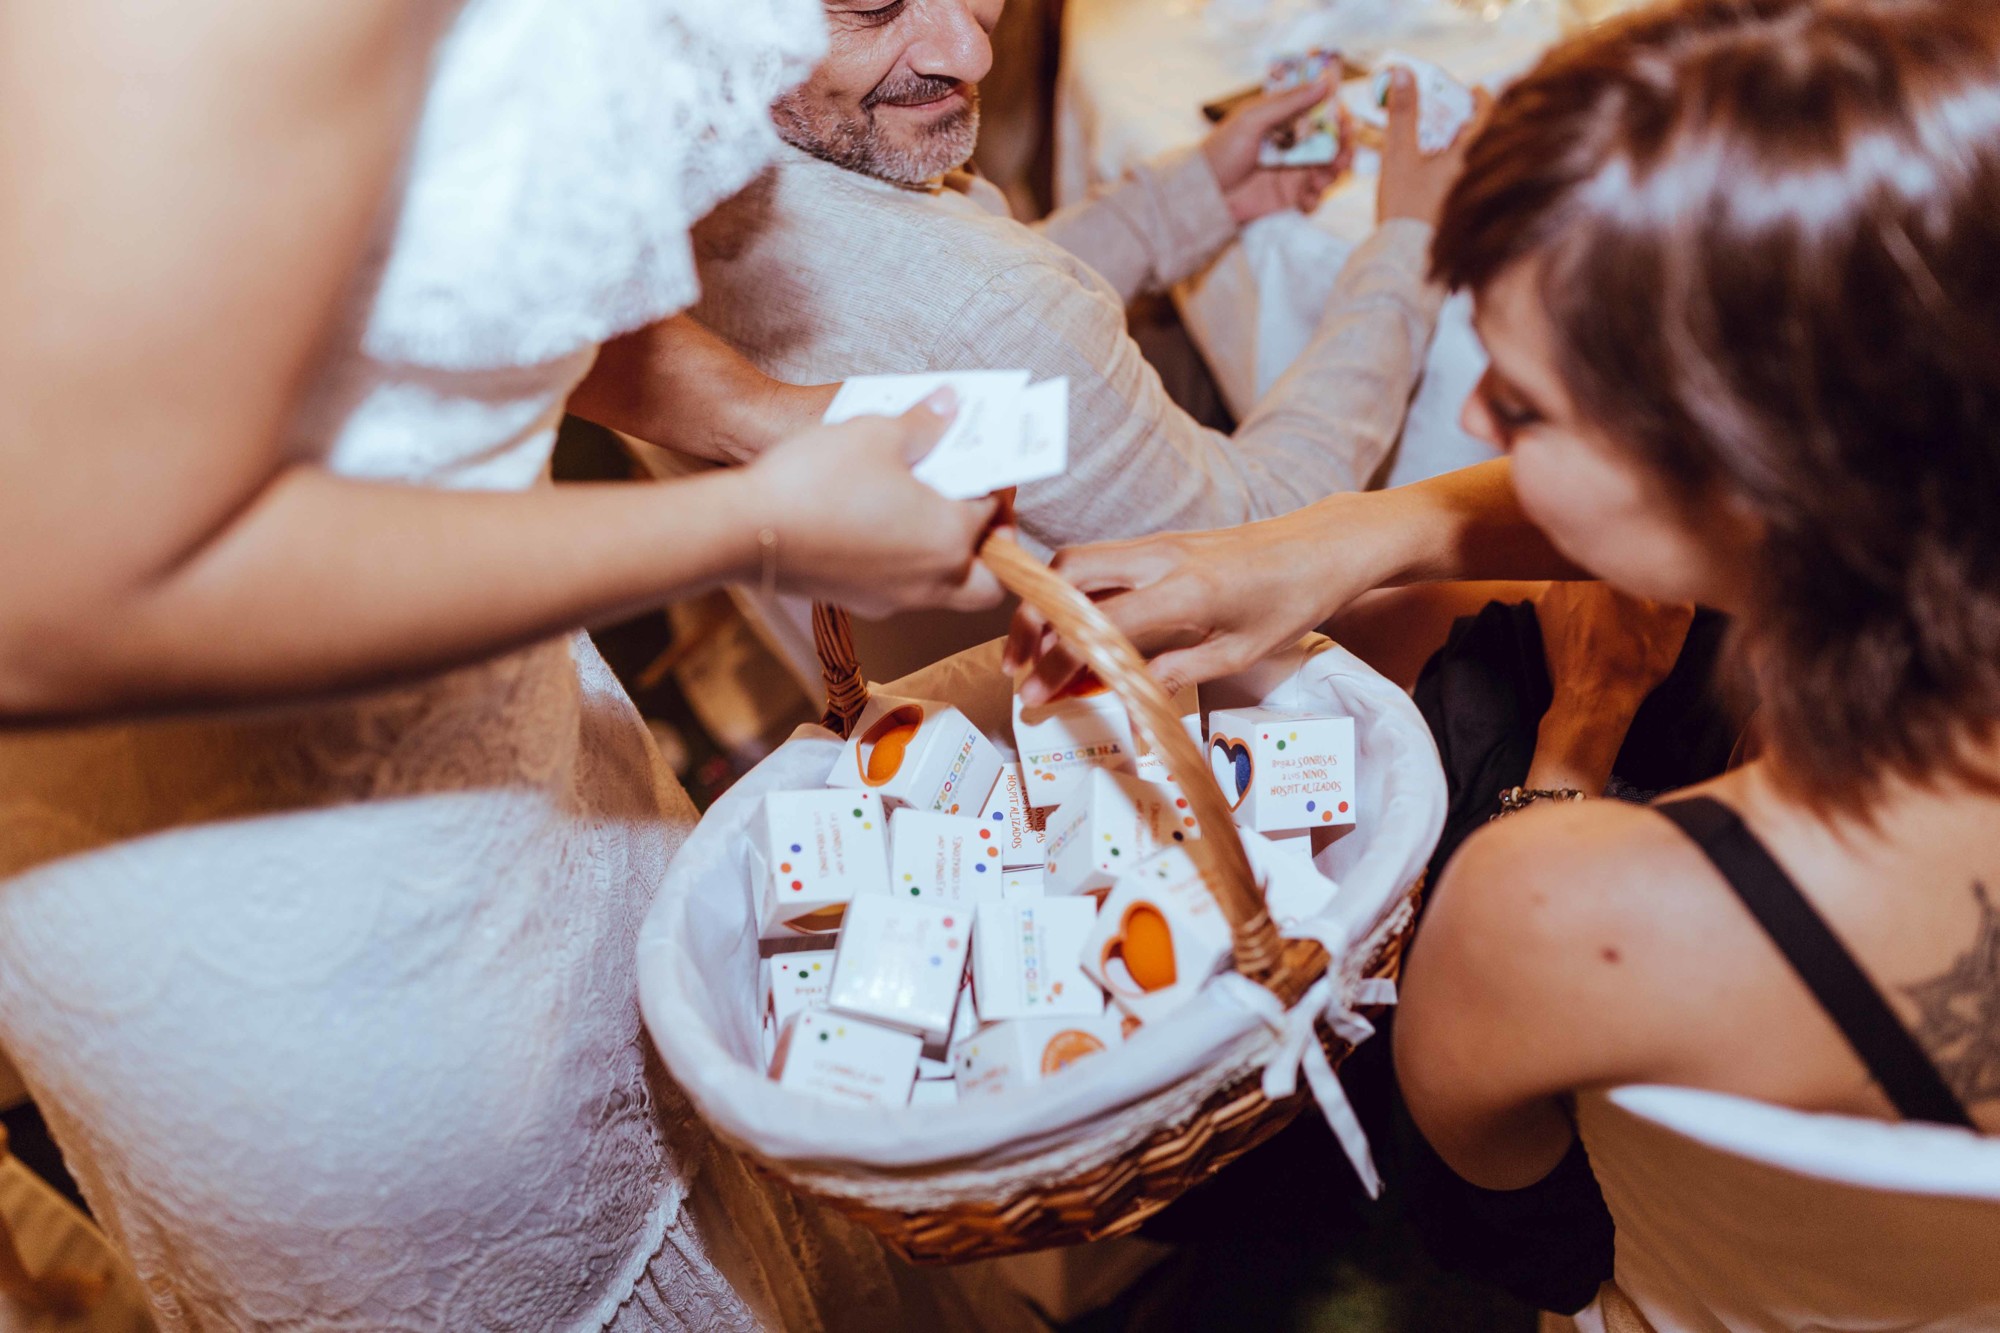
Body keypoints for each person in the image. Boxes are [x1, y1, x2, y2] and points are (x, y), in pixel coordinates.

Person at [0, 2, 1030, 1329]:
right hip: (325, 975)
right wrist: (751, 529)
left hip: (545, 771)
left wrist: (746, 417)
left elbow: (435, 237)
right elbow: (62, 601)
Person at [1012, 0, 2000, 1325]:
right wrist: (1341, 542)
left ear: (1733, 474)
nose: (1473, 418)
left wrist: (1575, 746)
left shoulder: (1537, 904)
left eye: (1523, 407)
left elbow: (1517, 1237)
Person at [603, 0, 1478, 550]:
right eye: (871, 4)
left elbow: (964, 285)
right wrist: (1409, 240)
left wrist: (1195, 197)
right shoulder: (991, 313)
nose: (972, 50)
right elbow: (1256, 530)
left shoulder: (642, 161)